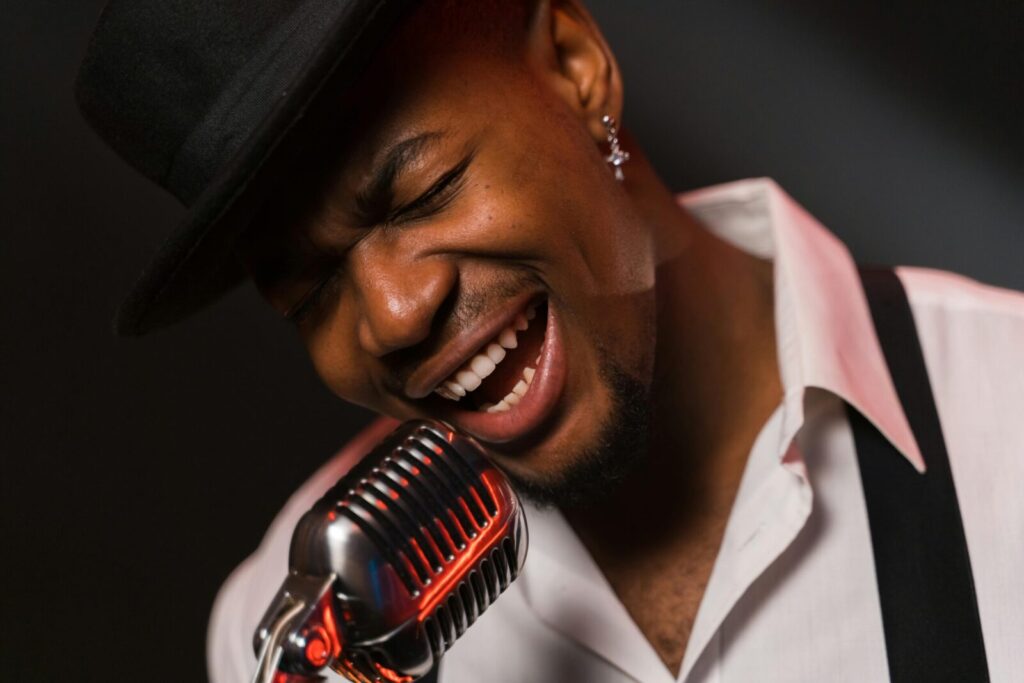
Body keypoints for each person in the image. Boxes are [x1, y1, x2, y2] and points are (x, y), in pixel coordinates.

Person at [76, 1, 1024, 681]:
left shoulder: (1006, 408)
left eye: (423, 190)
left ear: (575, 67)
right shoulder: (293, 628)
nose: (394, 314)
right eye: (311, 289)